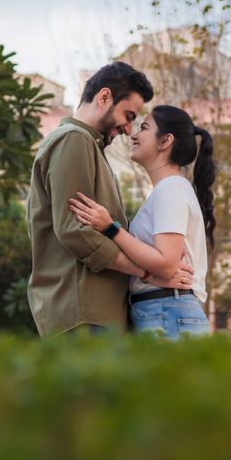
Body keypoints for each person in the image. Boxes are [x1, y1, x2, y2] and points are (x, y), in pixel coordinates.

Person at [26, 63, 192, 336]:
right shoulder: (73, 140)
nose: (128, 129)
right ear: (104, 97)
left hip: (95, 312)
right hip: (84, 311)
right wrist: (150, 273)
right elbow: (76, 232)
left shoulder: (89, 145)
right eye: (128, 116)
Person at [69, 105, 216, 338]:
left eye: (144, 128)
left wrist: (110, 228)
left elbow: (166, 264)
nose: (134, 135)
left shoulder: (172, 190)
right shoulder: (167, 190)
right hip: (164, 310)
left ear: (165, 140)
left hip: (167, 311)